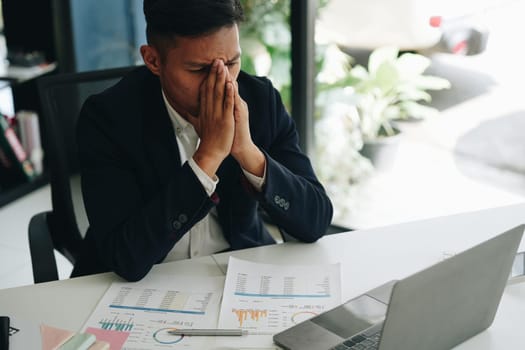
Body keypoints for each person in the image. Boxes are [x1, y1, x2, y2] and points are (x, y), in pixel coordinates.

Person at [71, 0, 333, 281]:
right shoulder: (108, 117)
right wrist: (208, 157)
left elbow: (315, 221)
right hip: (145, 279)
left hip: (236, 269)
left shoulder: (260, 100)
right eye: (198, 70)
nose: (222, 83)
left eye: (232, 62)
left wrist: (246, 151)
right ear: (153, 60)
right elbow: (128, 258)